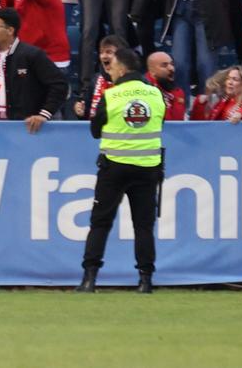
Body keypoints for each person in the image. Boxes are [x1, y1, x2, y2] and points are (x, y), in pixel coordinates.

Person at [76, 42, 164, 294]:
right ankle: (145, 281)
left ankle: (89, 279)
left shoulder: (111, 95)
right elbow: (160, 122)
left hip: (114, 168)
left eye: (112, 66)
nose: (109, 71)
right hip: (147, 168)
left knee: (100, 223)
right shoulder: (155, 94)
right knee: (143, 226)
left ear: (123, 68)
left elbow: (95, 131)